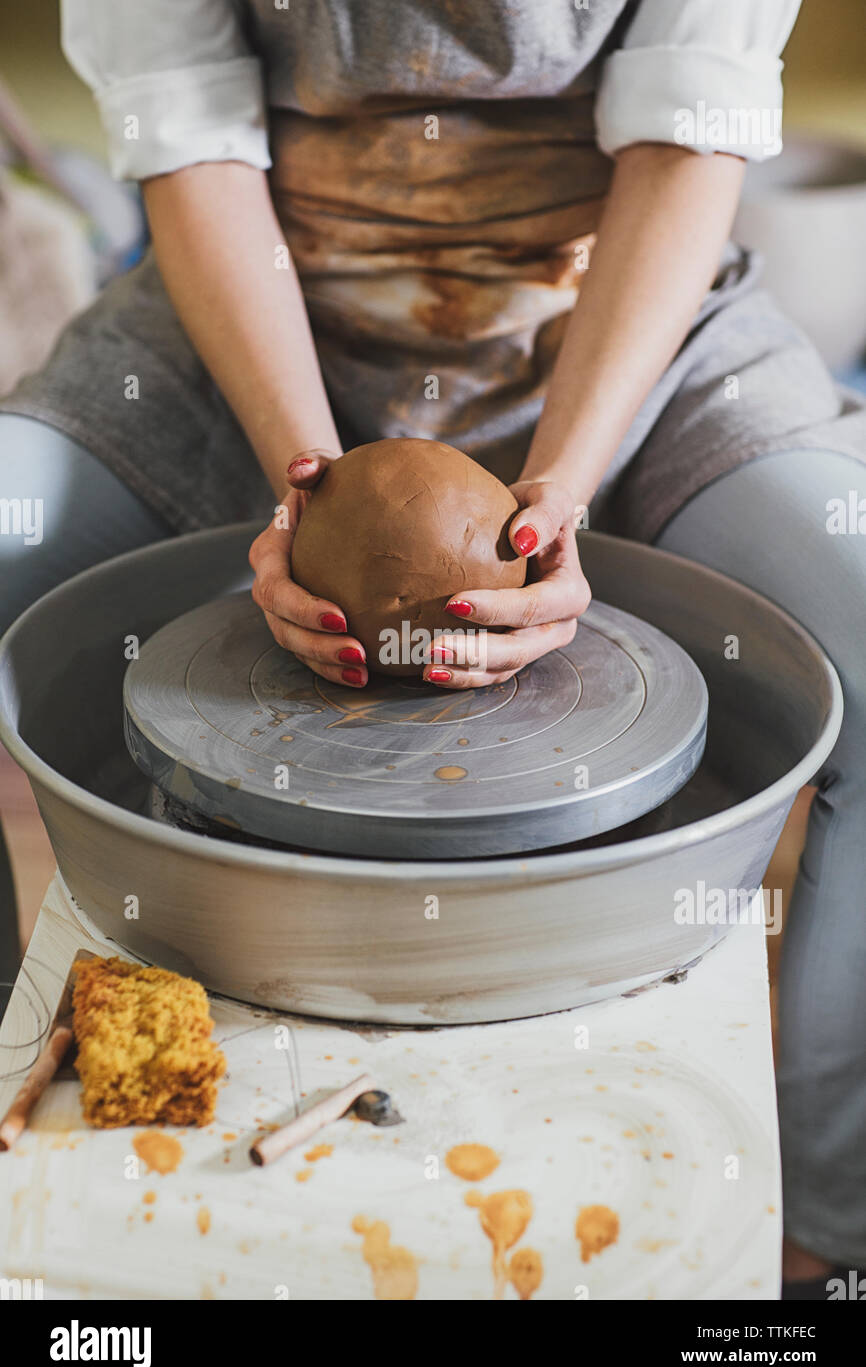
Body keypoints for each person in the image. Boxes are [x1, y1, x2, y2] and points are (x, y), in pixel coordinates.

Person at [1, 0, 864, 1297]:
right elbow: (194, 145)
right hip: (250, 313)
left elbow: (686, 140)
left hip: (617, 311)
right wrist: (318, 499)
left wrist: (554, 494)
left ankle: (827, 1228)